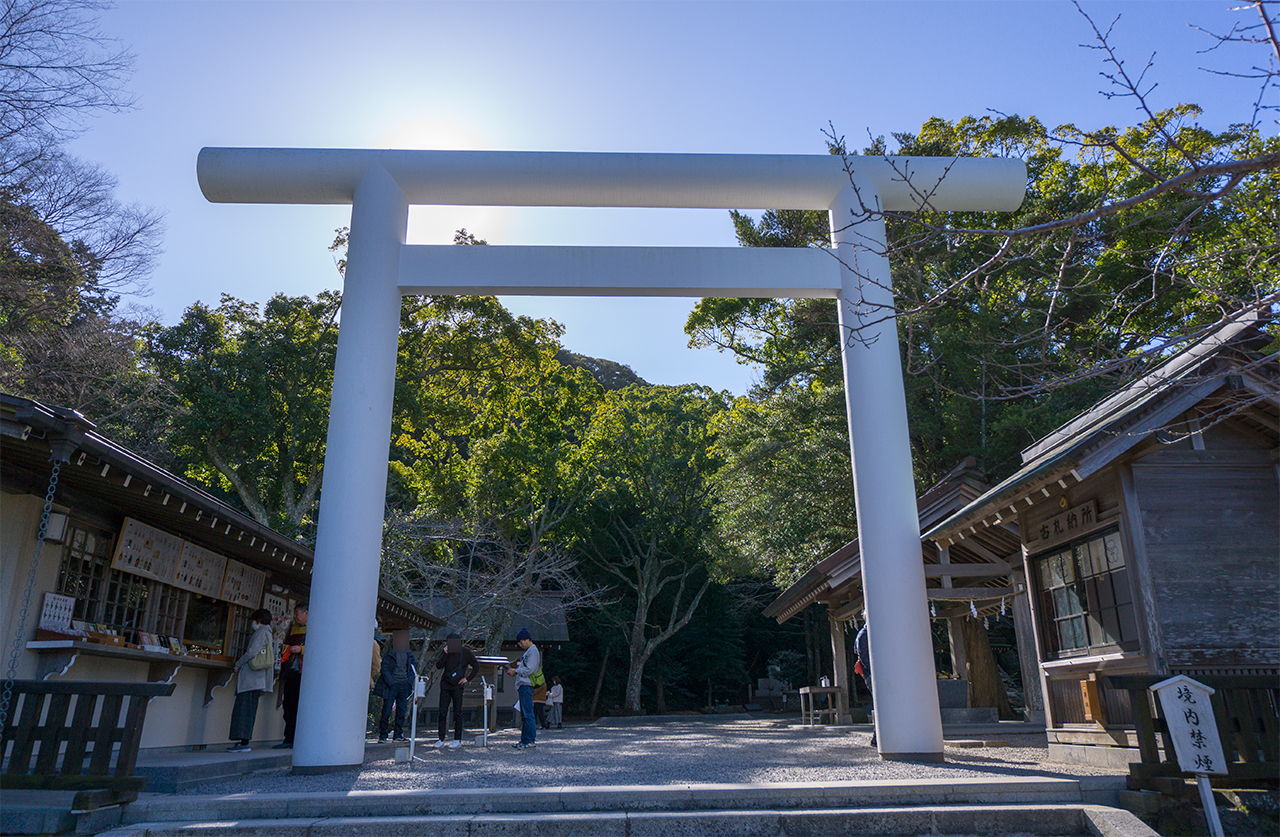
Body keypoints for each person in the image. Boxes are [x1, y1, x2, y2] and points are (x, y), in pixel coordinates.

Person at [228, 608, 275, 752]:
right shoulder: (269, 633)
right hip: (259, 679)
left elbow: (252, 652)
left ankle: (243, 742)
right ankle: (244, 741)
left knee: (243, 709)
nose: (252, 624)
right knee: (250, 710)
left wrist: (238, 664)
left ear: (258, 621)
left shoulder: (261, 632)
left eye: (253, 621)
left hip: (252, 678)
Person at [433, 632, 479, 749]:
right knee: (442, 712)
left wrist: (467, 679)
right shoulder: (446, 652)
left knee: (457, 713)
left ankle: (457, 739)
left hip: (458, 685)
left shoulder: (465, 652)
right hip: (445, 685)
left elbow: (476, 665)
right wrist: (444, 653)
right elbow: (438, 665)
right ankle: (441, 738)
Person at [275, 601, 307, 749]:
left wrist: (301, 649)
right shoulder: (292, 628)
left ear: (307, 613)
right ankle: (288, 737)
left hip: (303, 671)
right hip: (290, 670)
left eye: (297, 613)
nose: (295, 616)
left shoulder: (314, 627)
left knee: (300, 705)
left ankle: (299, 738)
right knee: (288, 704)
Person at [377, 629, 418, 742]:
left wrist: (409, 682)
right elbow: (384, 668)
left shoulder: (409, 654)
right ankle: (383, 734)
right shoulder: (390, 654)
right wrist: (391, 682)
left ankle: (398, 734)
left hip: (404, 684)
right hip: (392, 685)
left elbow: (413, 668)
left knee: (401, 710)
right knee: (386, 710)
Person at [506, 628, 540, 750]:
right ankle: (524, 740)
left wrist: (516, 671)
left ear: (527, 639)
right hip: (523, 685)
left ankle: (530, 740)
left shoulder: (533, 651)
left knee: (528, 713)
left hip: (526, 685)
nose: (519, 645)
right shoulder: (528, 651)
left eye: (521, 642)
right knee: (524, 715)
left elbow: (529, 669)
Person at [855, 614, 875, 747]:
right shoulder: (864, 635)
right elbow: (864, 658)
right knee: (882, 706)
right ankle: (877, 738)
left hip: (872, 674)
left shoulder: (868, 634)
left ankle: (877, 738)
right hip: (871, 675)